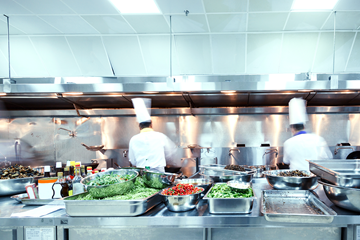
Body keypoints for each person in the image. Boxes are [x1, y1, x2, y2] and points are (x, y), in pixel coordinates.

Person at [128, 98, 177, 172]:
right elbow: (171, 152)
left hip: (142, 173)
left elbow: (133, 161)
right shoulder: (160, 136)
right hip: (158, 173)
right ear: (151, 124)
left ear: (139, 126)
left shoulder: (133, 139)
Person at [283, 98, 332, 170]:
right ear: (304, 126)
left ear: (292, 128)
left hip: (296, 178)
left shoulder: (288, 143)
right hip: (314, 178)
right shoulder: (318, 139)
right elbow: (328, 157)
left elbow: (286, 161)